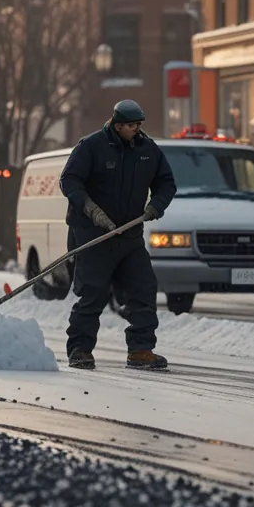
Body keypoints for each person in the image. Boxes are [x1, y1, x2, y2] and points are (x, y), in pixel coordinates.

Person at [58, 100, 176, 371]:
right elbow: (70, 180)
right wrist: (90, 209)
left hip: (129, 235)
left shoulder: (147, 150)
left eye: (139, 125)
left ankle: (140, 350)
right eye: (132, 126)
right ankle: (80, 349)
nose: (137, 130)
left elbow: (166, 181)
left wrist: (156, 205)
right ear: (118, 125)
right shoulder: (91, 146)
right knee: (93, 294)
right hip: (94, 236)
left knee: (143, 289)